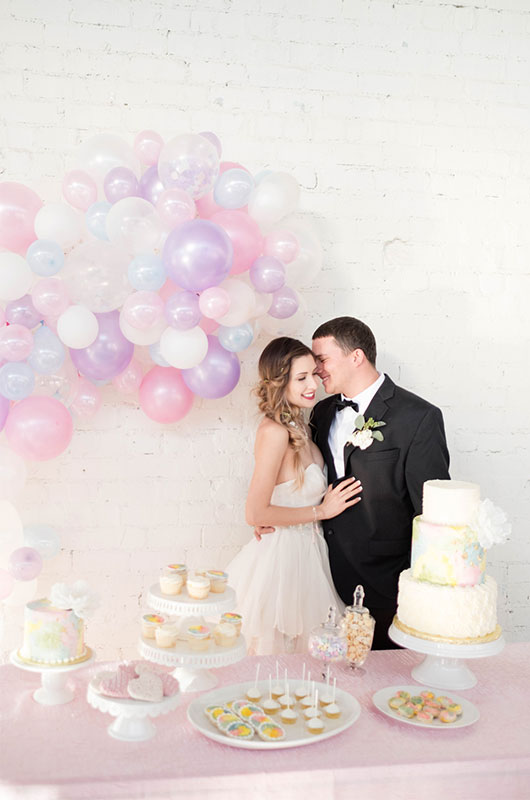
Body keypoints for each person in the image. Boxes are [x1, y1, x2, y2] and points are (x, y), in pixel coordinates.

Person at [310, 316, 450, 649]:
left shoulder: (418, 418)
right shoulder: (322, 412)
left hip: (386, 584)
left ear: (356, 357)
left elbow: (433, 513)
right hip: (320, 572)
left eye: (322, 359)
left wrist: (426, 591)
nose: (317, 370)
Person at [227, 336, 362, 655]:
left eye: (313, 374)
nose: (312, 384)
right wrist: (322, 511)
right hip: (282, 560)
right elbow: (255, 513)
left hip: (310, 553)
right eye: (300, 378)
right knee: (278, 653)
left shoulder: (303, 427)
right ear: (279, 383)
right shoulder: (274, 432)